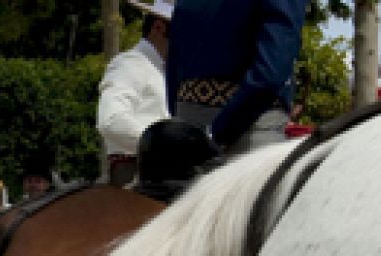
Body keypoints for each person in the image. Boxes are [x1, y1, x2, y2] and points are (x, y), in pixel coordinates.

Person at [166, 0, 308, 154]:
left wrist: (183, 125)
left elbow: (173, 67)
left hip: (184, 131)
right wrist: (218, 132)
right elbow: (272, 71)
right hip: (249, 134)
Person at [98, 0, 174, 186]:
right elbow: (111, 120)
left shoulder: (168, 72)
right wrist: (167, 147)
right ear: (158, 27)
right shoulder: (130, 63)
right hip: (137, 178)